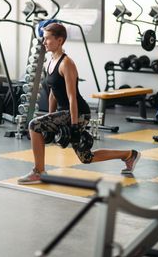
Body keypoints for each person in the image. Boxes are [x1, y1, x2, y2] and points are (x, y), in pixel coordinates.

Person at [17, 22, 141, 185]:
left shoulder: (66, 63)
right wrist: (49, 116)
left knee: (34, 125)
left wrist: (75, 125)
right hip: (65, 113)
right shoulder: (50, 62)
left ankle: (39, 171)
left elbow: (71, 96)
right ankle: (129, 155)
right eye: (43, 38)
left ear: (60, 40)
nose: (44, 42)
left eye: (47, 39)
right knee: (86, 157)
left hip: (78, 112)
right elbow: (53, 93)